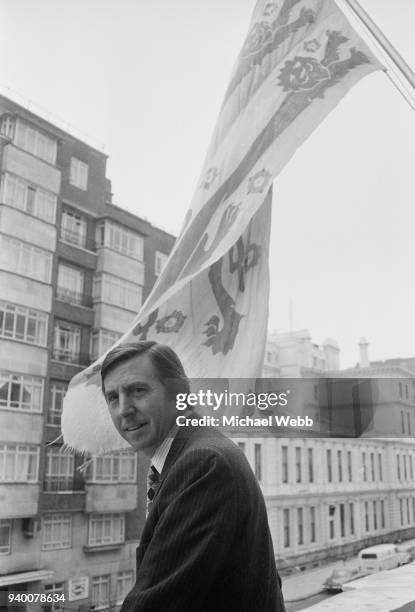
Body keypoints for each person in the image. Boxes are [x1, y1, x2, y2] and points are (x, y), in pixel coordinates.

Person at [101, 341, 286, 612]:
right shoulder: (193, 453)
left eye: (137, 390)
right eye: (113, 398)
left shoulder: (203, 464)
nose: (123, 409)